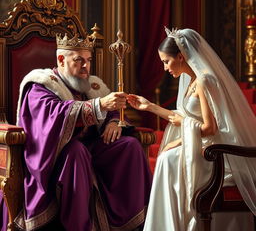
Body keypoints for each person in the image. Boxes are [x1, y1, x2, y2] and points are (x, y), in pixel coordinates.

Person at [0, 33, 152, 231]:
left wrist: (114, 122)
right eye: (79, 60)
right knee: (76, 151)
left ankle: (134, 225)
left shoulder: (92, 85)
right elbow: (53, 116)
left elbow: (112, 111)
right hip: (54, 158)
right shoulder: (41, 85)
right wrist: (99, 105)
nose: (85, 67)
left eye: (88, 60)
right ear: (61, 59)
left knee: (129, 146)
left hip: (91, 148)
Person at [127, 28, 256, 231]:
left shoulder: (205, 81)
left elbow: (210, 127)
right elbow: (183, 119)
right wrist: (149, 106)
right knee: (166, 158)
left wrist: (179, 141)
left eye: (166, 61)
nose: (165, 68)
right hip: (202, 147)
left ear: (181, 56)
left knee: (167, 159)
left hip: (215, 154)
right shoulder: (191, 81)